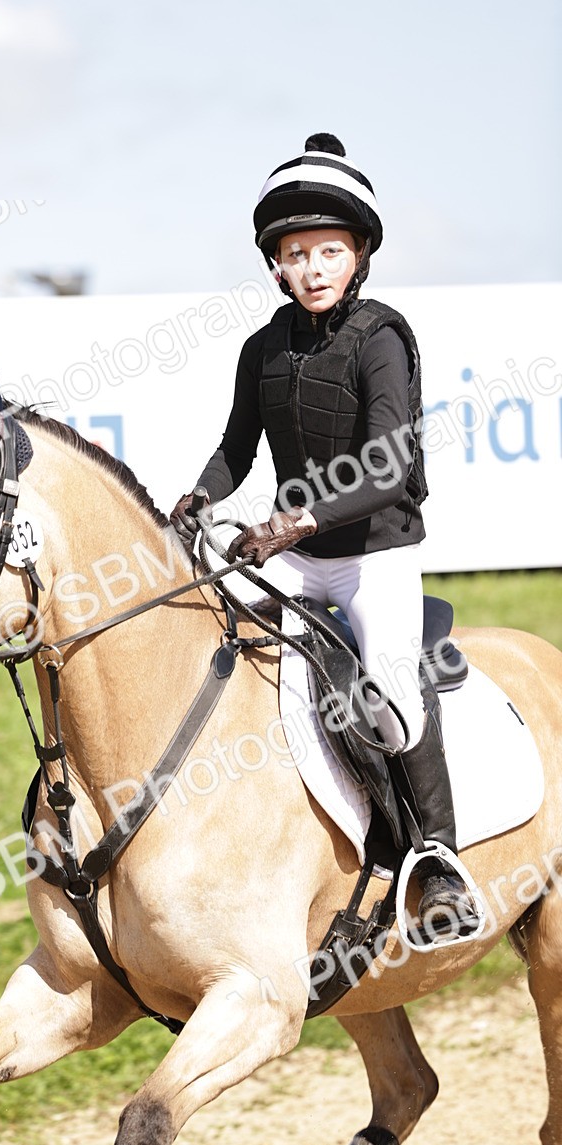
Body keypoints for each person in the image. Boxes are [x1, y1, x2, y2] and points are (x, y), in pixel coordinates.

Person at [170, 132, 476, 933]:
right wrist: (197, 500)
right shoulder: (261, 348)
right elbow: (237, 450)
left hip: (374, 556)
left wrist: (295, 520)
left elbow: (389, 465)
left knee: (388, 689)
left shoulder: (382, 338)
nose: (310, 268)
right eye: (295, 252)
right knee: (201, 633)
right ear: (276, 261)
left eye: (328, 251)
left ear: (360, 254)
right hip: (295, 557)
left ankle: (435, 858)